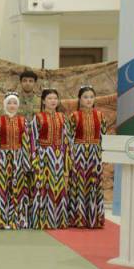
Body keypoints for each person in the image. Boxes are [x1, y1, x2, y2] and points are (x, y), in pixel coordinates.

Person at [29, 88, 71, 229]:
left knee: (58, 187)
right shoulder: (38, 117)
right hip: (43, 157)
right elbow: (33, 139)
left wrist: (66, 159)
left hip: (59, 157)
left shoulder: (62, 117)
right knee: (42, 187)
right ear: (43, 101)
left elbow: (66, 139)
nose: (53, 101)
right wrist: (34, 159)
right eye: (49, 98)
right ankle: (41, 220)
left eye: (55, 98)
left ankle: (57, 220)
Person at [0, 93, 32, 230]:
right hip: (2, 158)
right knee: (2, 188)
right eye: (9, 103)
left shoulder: (23, 121)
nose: (12, 106)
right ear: (5, 105)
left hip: (18, 158)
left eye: (14, 103)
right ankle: (2, 220)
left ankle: (17, 220)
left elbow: (26, 142)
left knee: (18, 188)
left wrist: (26, 162)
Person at [68, 85, 106, 229]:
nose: (89, 100)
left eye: (91, 97)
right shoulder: (74, 116)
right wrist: (71, 156)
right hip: (78, 153)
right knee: (79, 183)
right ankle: (78, 218)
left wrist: (102, 154)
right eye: (85, 97)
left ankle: (94, 218)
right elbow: (69, 138)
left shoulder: (100, 116)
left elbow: (103, 136)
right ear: (80, 99)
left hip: (95, 153)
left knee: (94, 182)